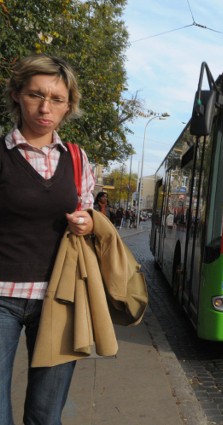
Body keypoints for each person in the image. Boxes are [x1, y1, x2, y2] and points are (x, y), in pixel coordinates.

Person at [1, 54, 95, 425]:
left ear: (68, 106)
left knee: (45, 416)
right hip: (2, 296)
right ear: (16, 95)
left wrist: (87, 222)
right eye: (35, 95)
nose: (45, 107)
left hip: (60, 295)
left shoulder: (76, 157)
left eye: (57, 99)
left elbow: (88, 211)